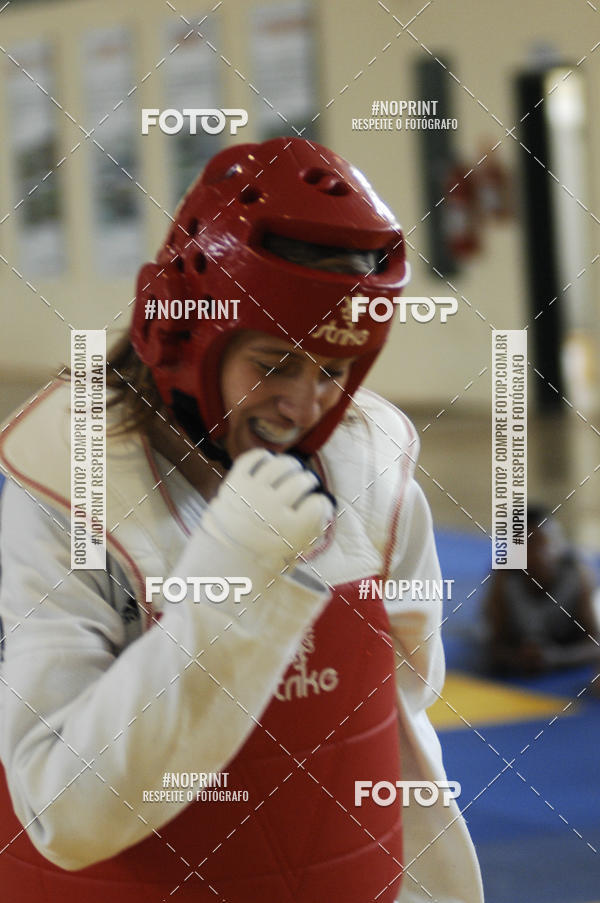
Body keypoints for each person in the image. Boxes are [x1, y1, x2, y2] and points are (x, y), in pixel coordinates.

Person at [0, 137, 483, 902]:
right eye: (273, 363)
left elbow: (399, 699)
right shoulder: (69, 491)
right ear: (187, 332)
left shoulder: (371, 469)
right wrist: (234, 583)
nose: (304, 403)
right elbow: (68, 813)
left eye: (331, 370)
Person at [486, 504, 600, 675]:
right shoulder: (504, 578)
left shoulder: (577, 576)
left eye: (544, 543)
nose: (539, 554)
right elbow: (493, 646)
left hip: (562, 648)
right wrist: (517, 658)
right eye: (529, 545)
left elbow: (595, 644)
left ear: (558, 544)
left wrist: (557, 658)